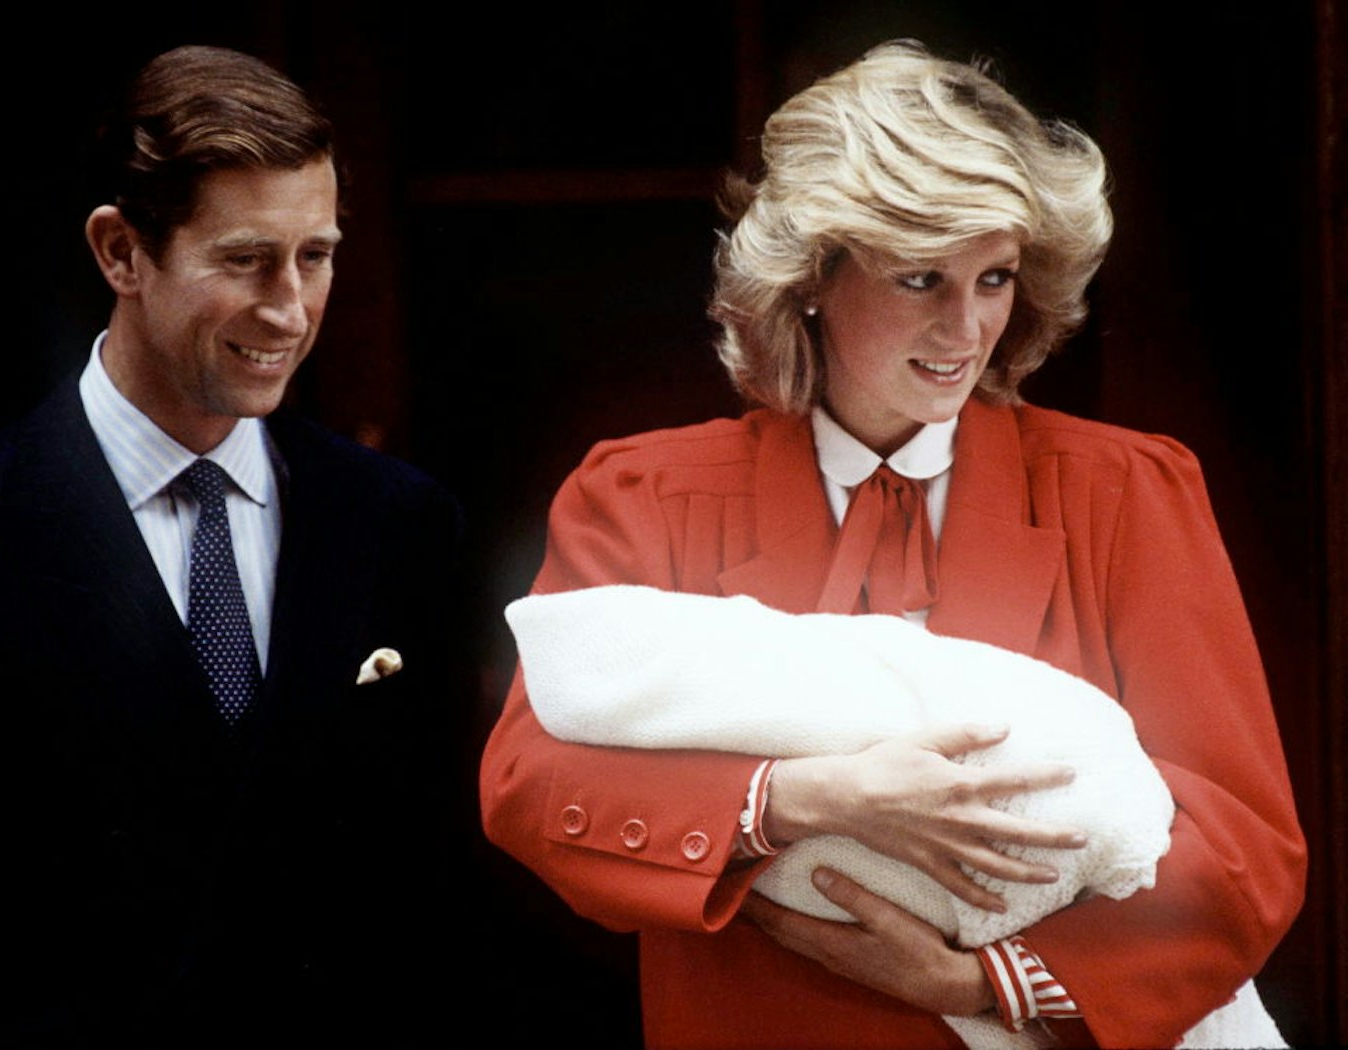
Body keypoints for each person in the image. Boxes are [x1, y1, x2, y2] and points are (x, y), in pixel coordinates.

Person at [480, 41, 1305, 1049]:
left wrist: (981, 979)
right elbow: (527, 786)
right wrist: (793, 801)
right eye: (922, 278)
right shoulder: (645, 493)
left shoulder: (1127, 490)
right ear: (812, 276)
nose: (967, 327)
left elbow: (1245, 845)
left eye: (995, 276)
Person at [0, 46, 466, 1043]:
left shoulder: (401, 526)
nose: (290, 310)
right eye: (247, 260)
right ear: (121, 253)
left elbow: (435, 900)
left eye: (317, 256)